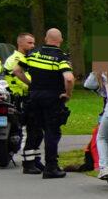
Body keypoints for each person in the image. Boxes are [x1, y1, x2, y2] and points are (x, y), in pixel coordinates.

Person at [13, 28, 75, 178]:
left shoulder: (33, 53)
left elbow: (17, 70)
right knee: (52, 132)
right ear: (60, 40)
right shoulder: (61, 57)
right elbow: (69, 78)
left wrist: (30, 84)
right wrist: (68, 94)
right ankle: (51, 167)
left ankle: (29, 164)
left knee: (34, 130)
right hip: (53, 98)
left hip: (34, 97)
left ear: (46, 38)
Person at [2, 32, 36, 166]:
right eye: (29, 43)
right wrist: (33, 85)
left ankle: (26, 156)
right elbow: (19, 77)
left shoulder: (24, 58)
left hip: (21, 96)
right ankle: (26, 158)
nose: (32, 45)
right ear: (20, 43)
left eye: (33, 43)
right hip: (20, 97)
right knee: (26, 129)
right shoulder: (16, 59)